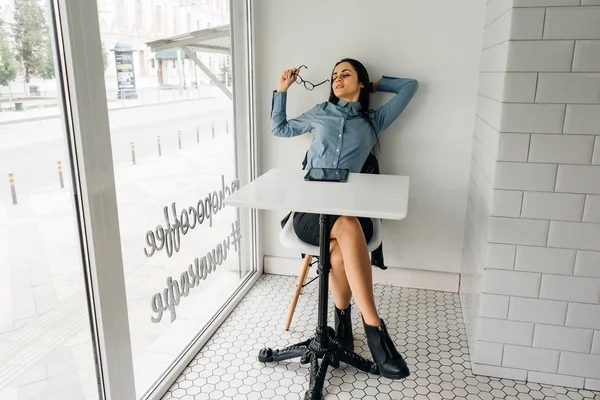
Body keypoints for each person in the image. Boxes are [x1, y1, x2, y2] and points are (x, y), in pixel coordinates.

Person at [270, 58, 418, 379]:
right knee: (346, 230)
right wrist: (282, 90)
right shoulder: (320, 111)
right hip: (310, 210)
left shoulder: (373, 119)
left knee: (339, 247)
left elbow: (410, 87)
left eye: (346, 74)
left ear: (360, 82)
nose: (337, 79)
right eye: (334, 75)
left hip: (352, 209)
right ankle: (375, 332)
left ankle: (344, 327)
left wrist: (375, 86)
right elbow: (279, 128)